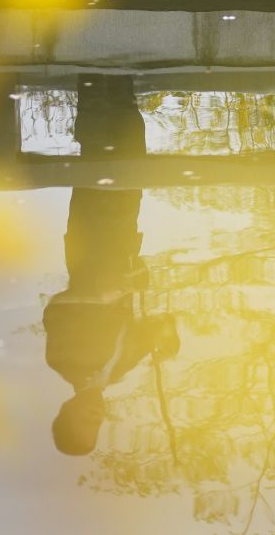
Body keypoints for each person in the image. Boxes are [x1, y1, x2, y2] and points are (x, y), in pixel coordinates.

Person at [43, 76, 179, 456]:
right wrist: (166, 343)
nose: (97, 416)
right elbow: (159, 326)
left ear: (67, 411)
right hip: (123, 243)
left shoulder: (62, 361)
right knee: (133, 151)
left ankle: (91, 82)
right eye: (97, 425)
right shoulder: (121, 370)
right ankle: (120, 83)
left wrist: (105, 293)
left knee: (98, 157)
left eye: (86, 421)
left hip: (90, 247)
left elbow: (58, 307)